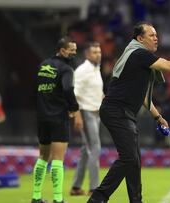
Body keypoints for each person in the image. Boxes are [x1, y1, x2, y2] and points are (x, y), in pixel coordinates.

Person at [87, 21, 170, 203]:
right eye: (151, 35)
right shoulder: (139, 54)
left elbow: (143, 97)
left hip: (121, 112)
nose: (156, 38)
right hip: (117, 111)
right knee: (129, 158)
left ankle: (136, 200)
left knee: (133, 160)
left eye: (156, 35)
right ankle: (98, 198)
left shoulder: (134, 55)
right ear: (140, 39)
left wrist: (158, 117)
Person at [31, 36, 79, 203]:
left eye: (75, 50)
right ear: (62, 50)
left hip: (42, 116)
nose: (74, 54)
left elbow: (36, 89)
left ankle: (36, 196)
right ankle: (58, 199)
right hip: (58, 116)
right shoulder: (66, 69)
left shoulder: (43, 65)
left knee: (42, 156)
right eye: (71, 51)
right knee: (58, 158)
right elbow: (67, 89)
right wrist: (74, 108)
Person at [70, 42, 104, 196]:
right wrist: (77, 116)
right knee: (95, 148)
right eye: (95, 52)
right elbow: (74, 93)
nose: (98, 54)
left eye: (99, 51)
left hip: (95, 112)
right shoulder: (83, 70)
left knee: (86, 150)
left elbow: (94, 90)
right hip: (86, 112)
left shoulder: (96, 69)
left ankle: (76, 187)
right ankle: (94, 188)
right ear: (87, 55)